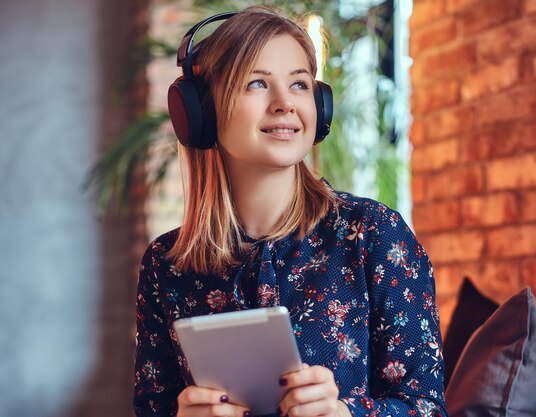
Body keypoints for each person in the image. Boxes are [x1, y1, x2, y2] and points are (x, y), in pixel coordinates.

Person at [133, 6, 448, 417]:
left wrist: (346, 413)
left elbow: (427, 408)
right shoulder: (165, 265)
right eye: (257, 83)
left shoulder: (373, 235)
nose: (285, 103)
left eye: (299, 84)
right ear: (201, 112)